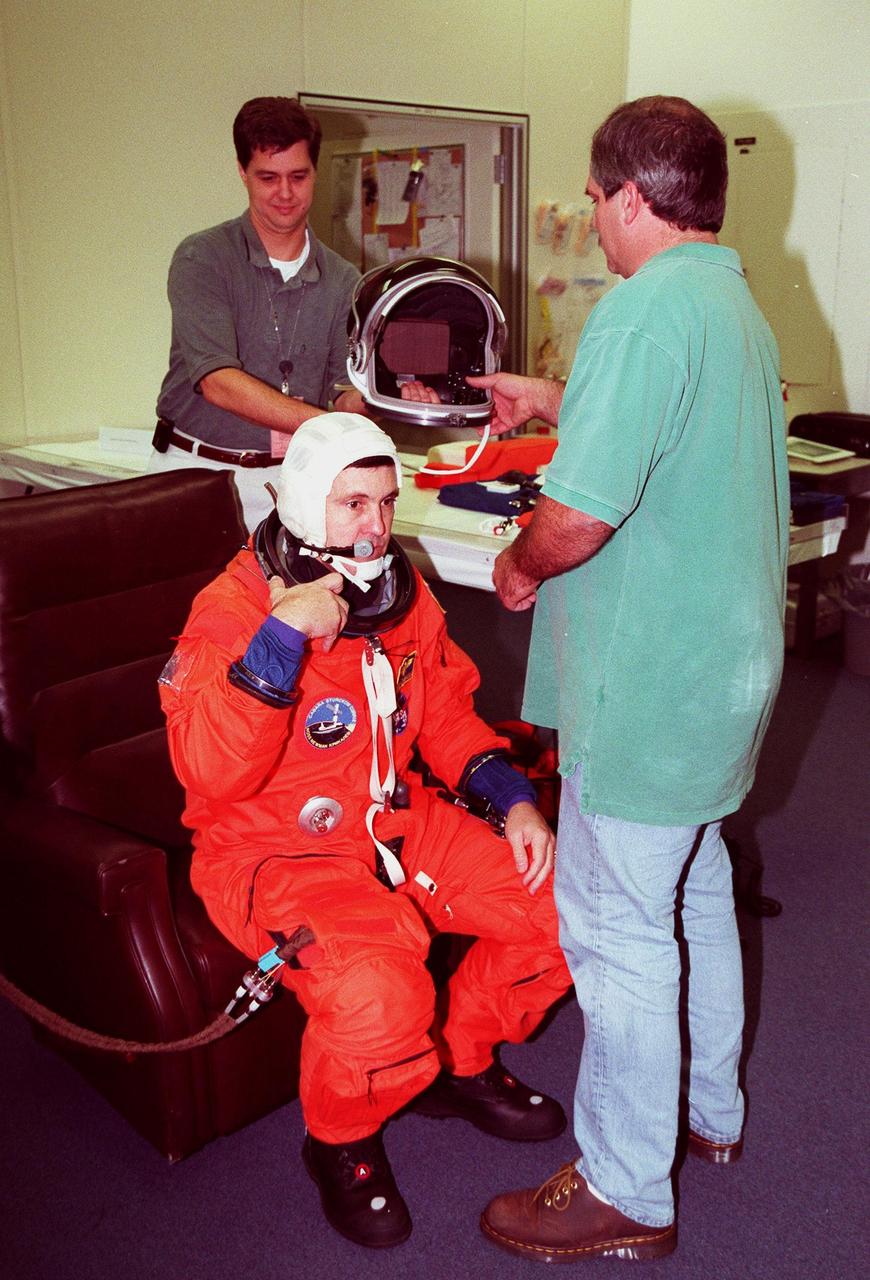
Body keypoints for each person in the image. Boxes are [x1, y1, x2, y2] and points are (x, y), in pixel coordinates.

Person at [468, 96, 790, 1263]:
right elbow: (677, 430)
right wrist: (557, 401)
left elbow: (581, 517)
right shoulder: (728, 300)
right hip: (728, 671)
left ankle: (623, 1186)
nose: (596, 219)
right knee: (693, 890)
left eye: (598, 199)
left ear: (629, 198)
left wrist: (513, 560)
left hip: (652, 681)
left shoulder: (642, 311)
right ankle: (711, 1115)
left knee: (616, 929)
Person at [158, 412, 573, 1249]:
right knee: (381, 991)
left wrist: (510, 800)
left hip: (392, 824)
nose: (375, 527)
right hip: (273, 849)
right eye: (352, 505)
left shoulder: (399, 591)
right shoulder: (233, 609)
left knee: (569, 910)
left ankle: (463, 1057)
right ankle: (340, 1141)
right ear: (305, 503)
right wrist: (282, 639)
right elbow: (209, 771)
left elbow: (447, 715)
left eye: (385, 503)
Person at [149, 97, 367, 531]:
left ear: (315, 174)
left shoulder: (344, 279)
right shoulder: (204, 258)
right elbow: (219, 383)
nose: (285, 193)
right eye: (268, 177)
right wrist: (327, 426)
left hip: (292, 479)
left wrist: (389, 397)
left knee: (297, 601)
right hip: (196, 474)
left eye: (298, 176)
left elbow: (346, 390)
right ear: (242, 172)